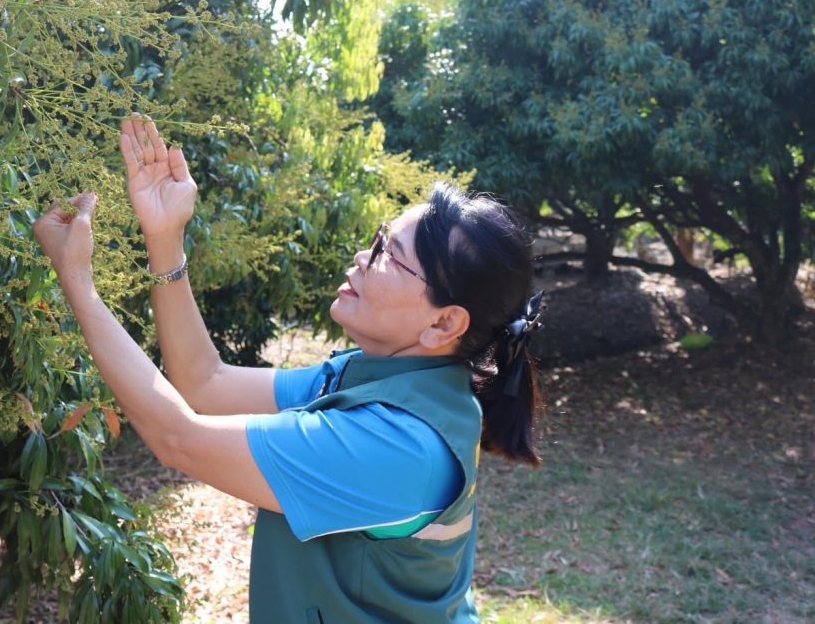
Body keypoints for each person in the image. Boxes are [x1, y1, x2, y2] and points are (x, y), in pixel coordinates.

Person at [32, 116, 545, 623]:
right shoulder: (383, 380)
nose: (361, 257)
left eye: (388, 256)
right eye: (379, 239)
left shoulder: (396, 445)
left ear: (444, 323)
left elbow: (177, 438)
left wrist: (77, 281)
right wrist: (166, 236)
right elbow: (206, 382)